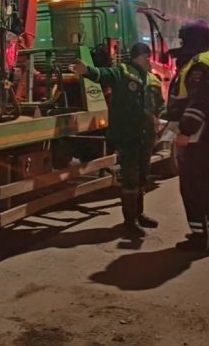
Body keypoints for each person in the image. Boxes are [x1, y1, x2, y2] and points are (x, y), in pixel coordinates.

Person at [71, 43, 165, 238]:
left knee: (142, 178)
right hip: (129, 137)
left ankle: (140, 214)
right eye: (148, 57)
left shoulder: (151, 79)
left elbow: (158, 105)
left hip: (145, 137)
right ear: (140, 57)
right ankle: (130, 221)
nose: (150, 61)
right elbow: (104, 75)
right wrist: (87, 70)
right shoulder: (123, 73)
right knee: (130, 179)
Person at [164, 20, 209, 252]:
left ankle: (202, 238)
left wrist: (185, 131)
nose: (181, 44)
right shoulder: (206, 60)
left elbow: (199, 101)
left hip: (200, 134)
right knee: (204, 183)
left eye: (183, 40)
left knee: (193, 186)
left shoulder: (199, 64)